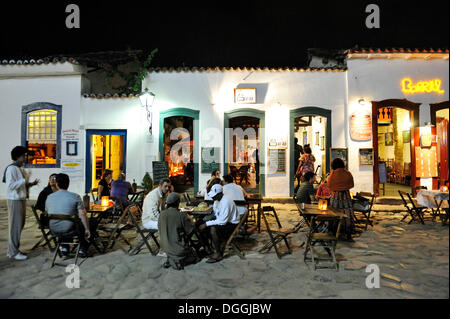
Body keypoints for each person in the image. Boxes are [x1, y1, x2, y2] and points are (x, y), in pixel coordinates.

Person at [2, 146, 39, 260]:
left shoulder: (19, 168)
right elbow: (11, 186)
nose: (26, 157)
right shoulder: (12, 169)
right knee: (15, 226)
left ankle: (14, 249)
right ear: (18, 156)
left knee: (19, 225)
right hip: (15, 200)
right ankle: (12, 252)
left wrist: (30, 183)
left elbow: (20, 185)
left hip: (20, 199)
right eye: (24, 155)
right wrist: (24, 179)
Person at [45, 173, 91, 256]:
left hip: (53, 230)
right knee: (86, 222)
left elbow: (47, 212)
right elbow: (82, 214)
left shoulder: (49, 197)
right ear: (68, 184)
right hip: (69, 229)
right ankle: (82, 248)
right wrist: (87, 229)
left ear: (57, 184)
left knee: (67, 221)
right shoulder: (75, 196)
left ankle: (64, 247)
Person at [198, 184, 240, 263]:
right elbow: (217, 214)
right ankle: (208, 249)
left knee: (213, 229)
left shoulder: (226, 201)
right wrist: (206, 222)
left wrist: (207, 224)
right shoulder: (217, 201)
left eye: (215, 195)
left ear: (220, 194)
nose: (213, 197)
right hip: (224, 221)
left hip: (232, 224)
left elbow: (222, 222)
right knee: (200, 223)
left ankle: (218, 253)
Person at [159, 193, 198, 270]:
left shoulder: (162, 214)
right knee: (195, 256)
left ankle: (172, 259)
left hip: (165, 248)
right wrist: (190, 220)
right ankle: (177, 260)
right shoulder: (181, 215)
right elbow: (190, 230)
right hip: (179, 249)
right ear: (178, 203)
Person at [142, 178, 172, 257]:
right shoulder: (153, 196)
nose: (167, 188)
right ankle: (162, 251)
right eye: (165, 186)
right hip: (148, 221)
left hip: (156, 218)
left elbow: (163, 209)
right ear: (160, 186)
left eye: (169, 187)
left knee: (171, 223)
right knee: (165, 225)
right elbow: (153, 215)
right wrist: (165, 220)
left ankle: (170, 247)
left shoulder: (163, 194)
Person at [327, 158, 355, 241]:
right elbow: (351, 184)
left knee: (335, 212)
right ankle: (348, 233)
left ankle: (335, 230)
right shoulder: (347, 173)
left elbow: (329, 185)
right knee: (347, 213)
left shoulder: (333, 174)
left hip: (336, 196)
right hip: (346, 195)